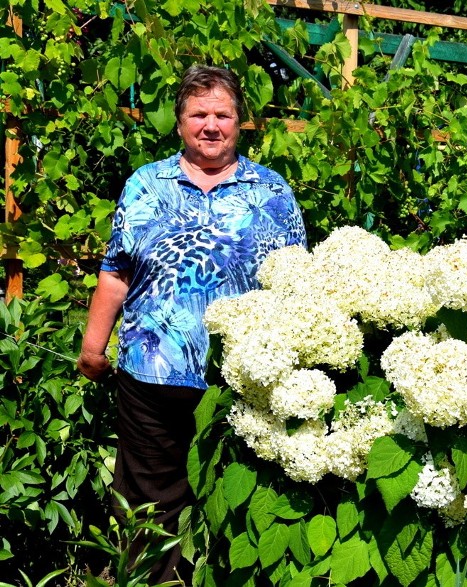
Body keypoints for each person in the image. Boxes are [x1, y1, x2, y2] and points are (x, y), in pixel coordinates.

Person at [77, 64, 307, 582]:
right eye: (198, 114)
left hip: (239, 383)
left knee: (228, 497)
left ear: (240, 122)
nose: (211, 125)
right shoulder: (146, 185)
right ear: (179, 123)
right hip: (149, 376)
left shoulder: (271, 191)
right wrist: (94, 348)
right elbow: (115, 272)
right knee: (147, 505)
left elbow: (298, 283)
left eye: (222, 114)